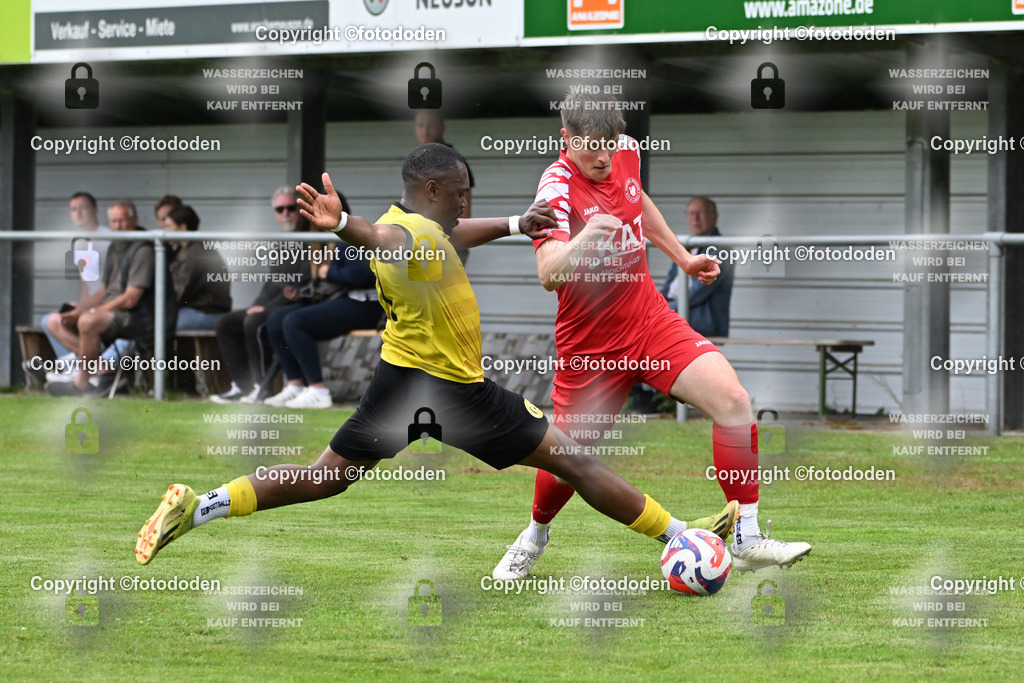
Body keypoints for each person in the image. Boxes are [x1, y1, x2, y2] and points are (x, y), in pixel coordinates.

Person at [134, 143, 739, 568]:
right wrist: (342, 221)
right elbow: (379, 237)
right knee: (573, 459)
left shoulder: (420, 221)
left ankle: (201, 506)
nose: (465, 204)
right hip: (455, 392)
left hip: (399, 384)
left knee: (322, 479)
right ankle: (682, 537)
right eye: (460, 194)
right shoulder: (399, 233)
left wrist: (513, 223)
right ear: (433, 190)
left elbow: (446, 233)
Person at [492, 92, 810, 580]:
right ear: (566, 140)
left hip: (649, 322)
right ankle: (534, 534)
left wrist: (682, 257)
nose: (603, 157)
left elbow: (638, 199)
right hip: (589, 347)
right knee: (568, 460)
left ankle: (747, 536)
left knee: (734, 400)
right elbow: (548, 272)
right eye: (591, 147)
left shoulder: (627, 151)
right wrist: (583, 238)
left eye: (610, 145)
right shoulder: (555, 187)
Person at [45, 200, 174, 395]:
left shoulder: (143, 249)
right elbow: (103, 291)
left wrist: (92, 312)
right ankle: (102, 370)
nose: (117, 227)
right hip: (111, 311)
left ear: (134, 220)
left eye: (122, 221)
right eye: (113, 222)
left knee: (88, 321)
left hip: (139, 316)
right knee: (55, 321)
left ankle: (82, 383)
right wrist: (80, 308)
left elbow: (131, 298)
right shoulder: (115, 247)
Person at [210, 187, 313, 404]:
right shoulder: (280, 241)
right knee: (225, 322)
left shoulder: (311, 239)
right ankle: (242, 386)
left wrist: (264, 309)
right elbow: (272, 283)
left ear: (301, 209)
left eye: (290, 208)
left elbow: (301, 284)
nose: (285, 213)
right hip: (275, 304)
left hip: (301, 304)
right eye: (279, 209)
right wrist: (257, 304)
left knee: (254, 321)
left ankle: (262, 387)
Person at [262, 245, 381, 409]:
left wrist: (328, 271)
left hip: (368, 304)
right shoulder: (318, 242)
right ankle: (295, 385)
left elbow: (360, 275)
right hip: (340, 297)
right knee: (275, 320)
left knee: (295, 322)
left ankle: (318, 391)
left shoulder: (351, 239)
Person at [660, 197, 734, 338]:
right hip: (675, 316)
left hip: (700, 324)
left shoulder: (722, 250)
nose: (695, 218)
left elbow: (696, 294)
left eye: (702, 213)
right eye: (691, 213)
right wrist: (655, 307)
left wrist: (664, 312)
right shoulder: (686, 246)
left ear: (714, 216)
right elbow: (668, 286)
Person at [415, 110, 473, 264]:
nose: (425, 131)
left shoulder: (455, 164)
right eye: (420, 125)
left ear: (442, 127)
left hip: (447, 246)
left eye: (431, 125)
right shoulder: (418, 162)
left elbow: (464, 215)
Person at [161, 205, 232, 330]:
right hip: (202, 310)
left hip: (206, 313)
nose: (164, 232)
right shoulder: (192, 249)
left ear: (182, 228)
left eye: (168, 227)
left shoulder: (194, 254)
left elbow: (179, 292)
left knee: (157, 324)